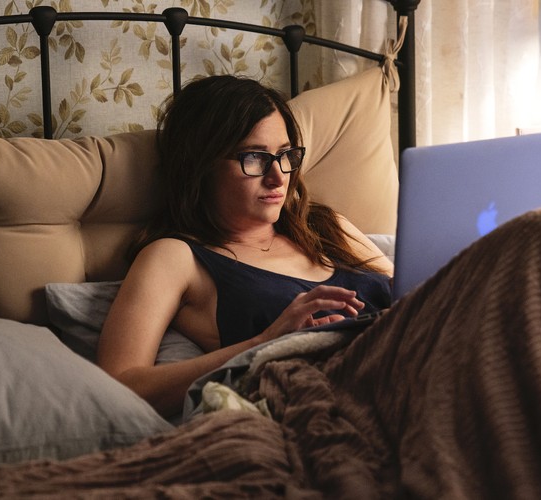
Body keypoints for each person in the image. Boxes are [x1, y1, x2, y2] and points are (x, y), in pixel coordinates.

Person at [96, 75, 393, 418]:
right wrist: (264, 342)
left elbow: (419, 298)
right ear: (201, 166)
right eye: (254, 158)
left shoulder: (325, 225)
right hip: (342, 404)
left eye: (285, 155)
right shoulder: (175, 257)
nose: (279, 177)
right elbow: (120, 384)